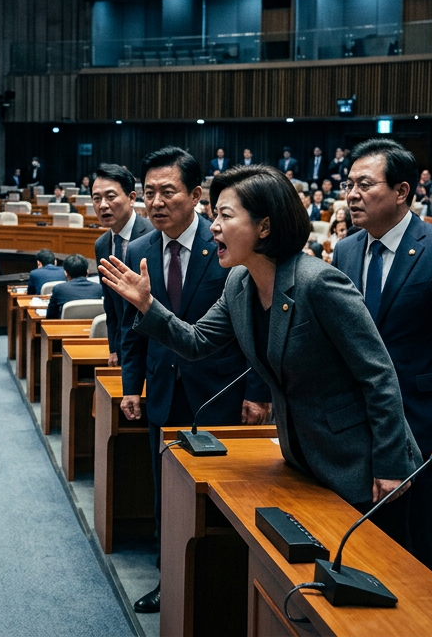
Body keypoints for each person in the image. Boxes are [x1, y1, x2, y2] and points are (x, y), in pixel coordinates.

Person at [101, 164, 420, 550]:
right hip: (303, 459)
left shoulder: (319, 282)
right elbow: (197, 341)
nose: (213, 226)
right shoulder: (240, 283)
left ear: (264, 227)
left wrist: (389, 465)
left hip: (362, 464)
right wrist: (149, 307)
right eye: (214, 214)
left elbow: (379, 376)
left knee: (373, 574)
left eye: (225, 215)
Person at [114, 148, 269, 615]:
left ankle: (224, 589)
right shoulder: (137, 249)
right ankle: (171, 579)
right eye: (149, 193)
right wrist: (130, 386)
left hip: (222, 390)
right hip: (163, 390)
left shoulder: (227, 245)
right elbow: (130, 328)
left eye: (168, 192)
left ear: (196, 195)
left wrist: (258, 392)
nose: (156, 202)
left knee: (226, 493)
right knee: (169, 494)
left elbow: (255, 329)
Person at [333, 138, 432, 574]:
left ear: (402, 192)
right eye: (349, 184)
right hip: (359, 430)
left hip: (424, 432)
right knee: (364, 557)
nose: (352, 194)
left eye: (364, 184)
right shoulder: (346, 249)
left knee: (418, 562)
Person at [91, 164, 154, 367]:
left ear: (132, 198)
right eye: (96, 198)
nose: (103, 205)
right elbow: (111, 304)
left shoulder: (155, 235)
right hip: (125, 348)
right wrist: (114, 347)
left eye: (110, 197)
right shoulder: (102, 244)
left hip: (157, 345)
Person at [47, 254, 101, 319]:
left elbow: (50, 316)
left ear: (66, 274)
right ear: (87, 273)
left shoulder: (59, 289)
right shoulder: (99, 288)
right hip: (92, 328)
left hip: (65, 328)